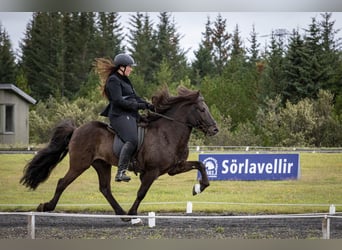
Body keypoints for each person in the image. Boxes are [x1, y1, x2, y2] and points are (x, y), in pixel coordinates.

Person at [95, 53, 154, 182]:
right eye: (129, 67)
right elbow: (118, 101)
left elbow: (134, 97)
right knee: (132, 139)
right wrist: (138, 105)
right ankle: (121, 171)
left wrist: (148, 105)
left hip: (130, 114)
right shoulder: (113, 80)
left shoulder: (125, 80)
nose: (131, 69)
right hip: (119, 115)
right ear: (121, 67)